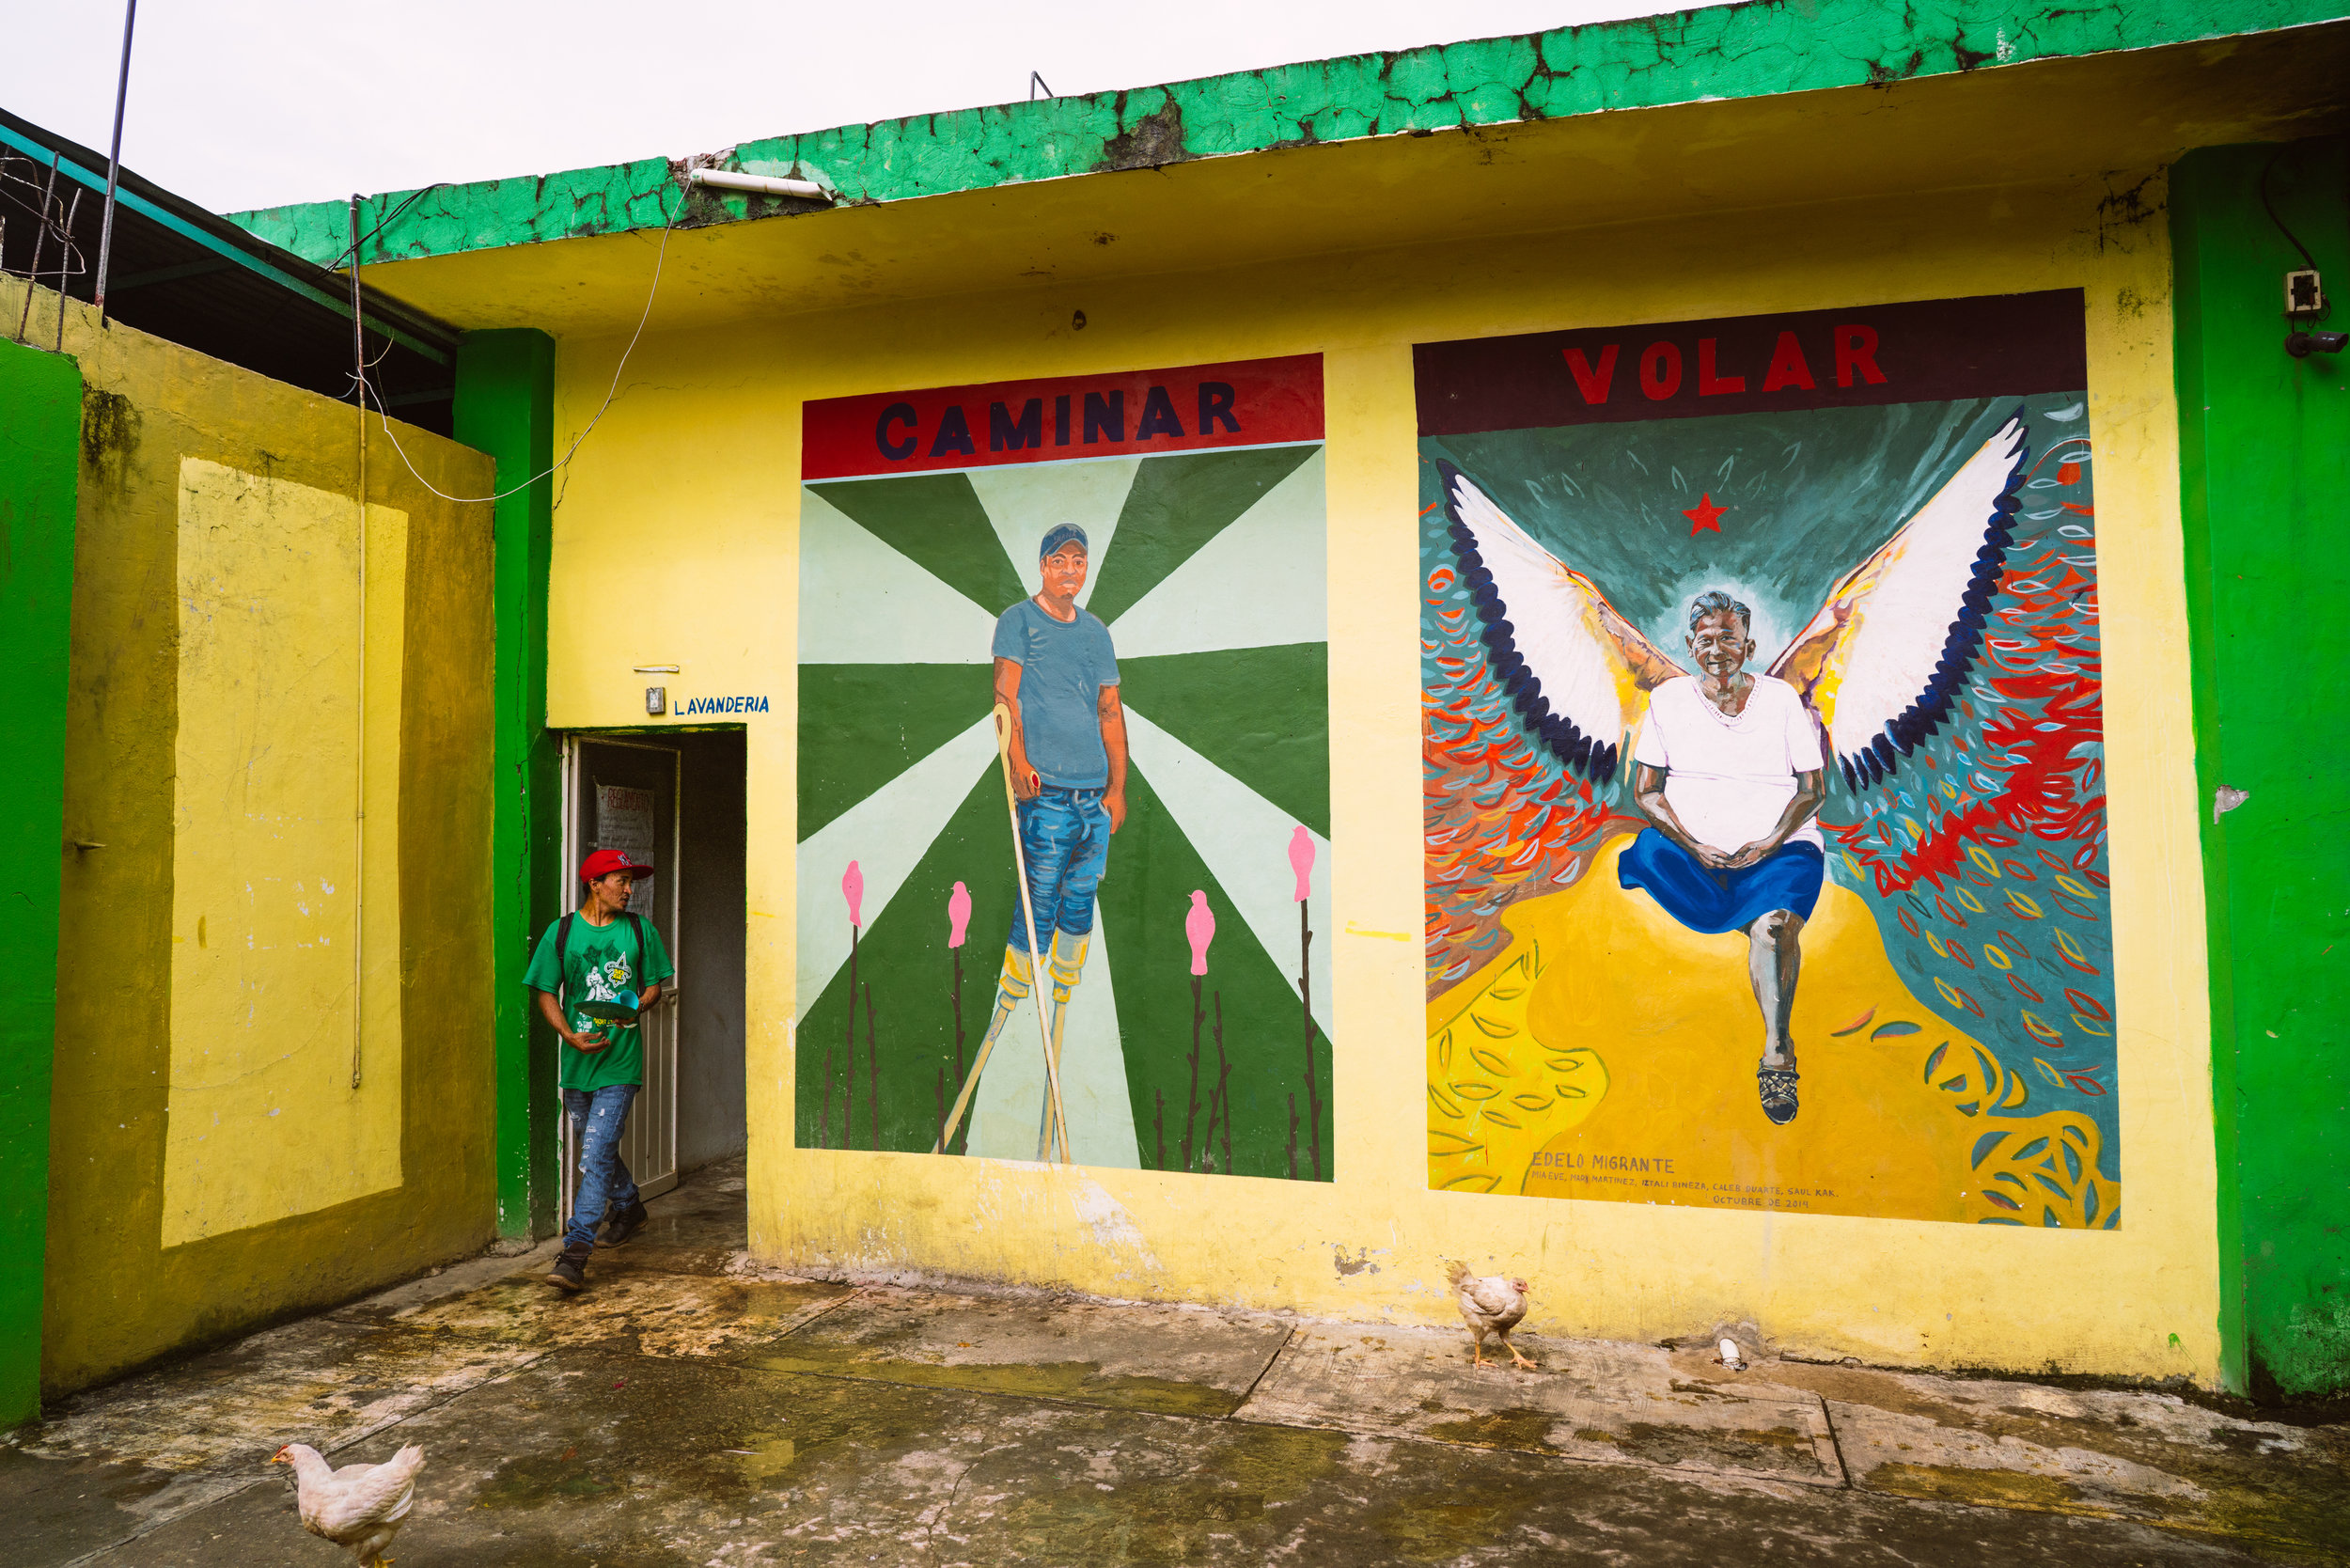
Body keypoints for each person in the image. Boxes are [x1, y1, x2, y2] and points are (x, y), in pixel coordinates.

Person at [1619, 590, 1827, 1126]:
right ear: (1691, 646)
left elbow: (1812, 790)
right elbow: (1646, 793)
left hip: (1782, 846)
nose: (1717, 650)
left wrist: (1770, 842)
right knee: (1656, 854)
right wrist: (1695, 845)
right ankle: (1737, 910)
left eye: (1728, 639)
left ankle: (1778, 1055)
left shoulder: (1781, 700)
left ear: (1748, 645)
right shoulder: (1667, 702)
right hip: (1697, 850)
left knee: (1775, 929)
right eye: (1706, 640)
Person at [978, 524, 1126, 1159]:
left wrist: (1119, 788)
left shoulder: (1095, 634)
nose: (1071, 568)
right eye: (1060, 559)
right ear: (1042, 566)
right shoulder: (1017, 620)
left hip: (1092, 797)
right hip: (1046, 796)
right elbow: (1003, 696)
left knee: (1078, 905)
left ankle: (1058, 1026)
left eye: (1079, 560)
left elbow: (1110, 710)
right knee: (1035, 908)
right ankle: (1006, 1015)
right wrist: (1018, 763)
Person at [526, 848, 675, 1293]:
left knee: (593, 1156)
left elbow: (654, 985)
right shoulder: (562, 932)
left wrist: (638, 1006)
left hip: (620, 1062)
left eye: (631, 883)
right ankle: (629, 1207)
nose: (629, 891)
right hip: (577, 1061)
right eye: (621, 881)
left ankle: (574, 1254)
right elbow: (546, 992)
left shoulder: (639, 931)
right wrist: (568, 1036)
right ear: (594, 884)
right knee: (597, 1148)